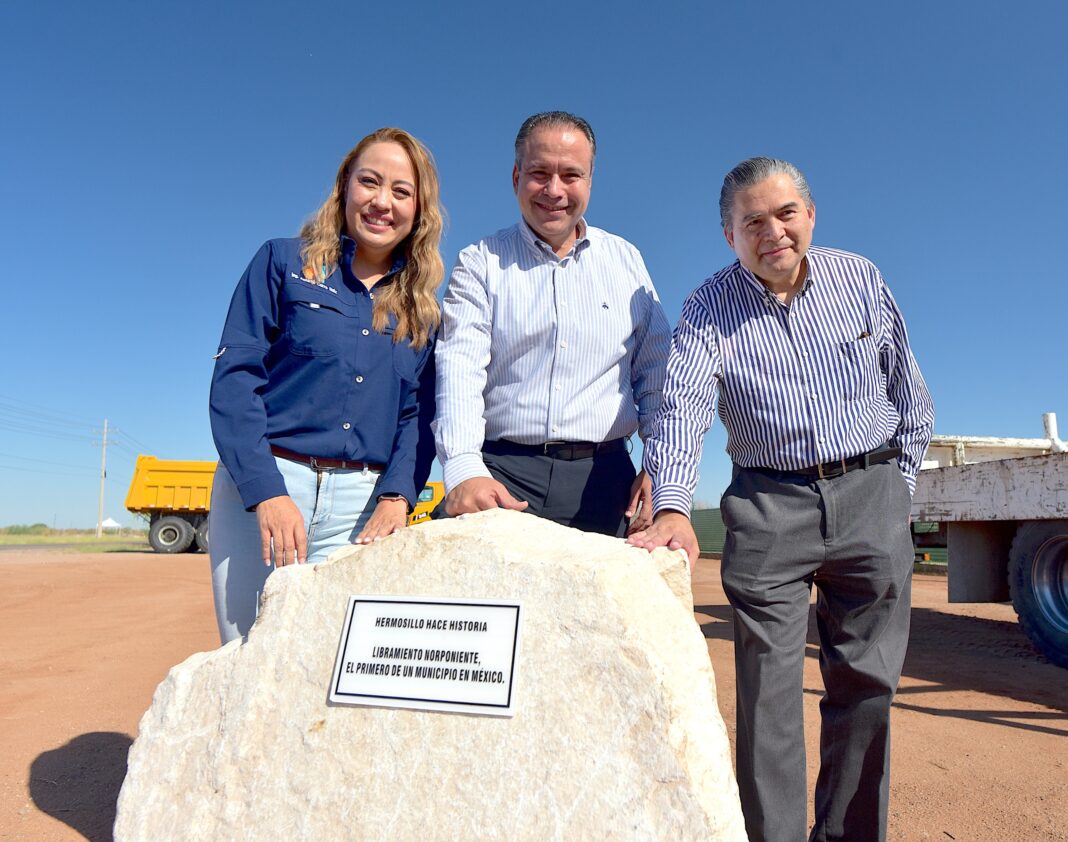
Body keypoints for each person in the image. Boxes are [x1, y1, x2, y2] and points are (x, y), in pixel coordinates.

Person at [629, 158, 934, 841]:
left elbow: (910, 394)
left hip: (870, 491)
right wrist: (673, 503)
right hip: (769, 506)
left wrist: (897, 492)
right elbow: (683, 407)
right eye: (753, 221)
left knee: (868, 687)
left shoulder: (859, 278)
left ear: (810, 215)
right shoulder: (708, 307)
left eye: (786, 213)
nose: (773, 232)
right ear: (729, 235)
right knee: (767, 695)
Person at [208, 128, 443, 644]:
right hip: (267, 492)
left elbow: (417, 416)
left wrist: (398, 497)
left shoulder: (424, 313)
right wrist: (266, 492)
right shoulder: (281, 262)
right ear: (345, 186)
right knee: (247, 657)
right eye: (370, 182)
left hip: (363, 507)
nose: (382, 202)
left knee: (336, 663)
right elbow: (236, 380)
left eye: (401, 191)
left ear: (419, 209)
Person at [433, 111, 671, 537]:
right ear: (516, 177)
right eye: (539, 173)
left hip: (606, 482)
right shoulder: (479, 262)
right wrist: (464, 470)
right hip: (500, 475)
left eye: (571, 175)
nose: (554, 190)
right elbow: (459, 370)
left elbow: (656, 375)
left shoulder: (626, 261)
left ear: (590, 180)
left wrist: (661, 468)